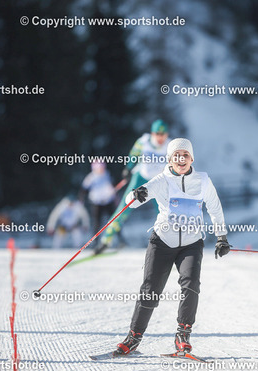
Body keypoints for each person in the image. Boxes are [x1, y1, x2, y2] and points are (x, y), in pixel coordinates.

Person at [114, 138, 231, 356]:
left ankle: (182, 336)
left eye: (185, 155)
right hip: (162, 242)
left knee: (191, 285)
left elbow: (215, 208)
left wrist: (221, 237)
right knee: (150, 290)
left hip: (191, 243)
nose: (181, 159)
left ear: (192, 158)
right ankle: (134, 337)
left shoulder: (203, 181)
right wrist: (135, 195)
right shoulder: (162, 180)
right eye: (176, 156)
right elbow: (134, 200)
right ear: (169, 160)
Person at [95, 119, 171, 254]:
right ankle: (106, 241)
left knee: (164, 212)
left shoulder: (170, 145)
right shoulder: (143, 141)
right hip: (140, 178)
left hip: (157, 182)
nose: (160, 137)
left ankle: (168, 244)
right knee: (124, 208)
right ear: (152, 133)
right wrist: (128, 169)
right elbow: (133, 155)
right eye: (157, 134)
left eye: (163, 134)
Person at [81, 161, 117, 234]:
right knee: (97, 222)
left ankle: (120, 237)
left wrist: (115, 197)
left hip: (108, 201)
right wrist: (81, 199)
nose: (102, 170)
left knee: (114, 219)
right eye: (100, 168)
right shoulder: (91, 177)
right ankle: (95, 239)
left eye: (103, 168)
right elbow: (84, 189)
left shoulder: (107, 174)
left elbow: (112, 186)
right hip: (97, 202)